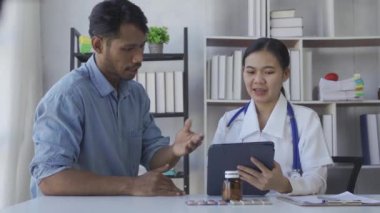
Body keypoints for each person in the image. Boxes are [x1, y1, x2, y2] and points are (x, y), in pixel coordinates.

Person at [29, 0, 203, 198]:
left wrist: (175, 150)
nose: (139, 58)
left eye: (141, 47)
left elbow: (153, 158)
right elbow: (50, 179)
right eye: (128, 49)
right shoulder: (67, 96)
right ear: (98, 45)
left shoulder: (136, 95)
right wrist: (132, 185)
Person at [212, 38, 332, 195]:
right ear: (243, 72)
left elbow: (318, 182)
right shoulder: (228, 121)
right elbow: (215, 179)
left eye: (268, 72)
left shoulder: (306, 119)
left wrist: (284, 185)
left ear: (286, 74)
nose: (258, 80)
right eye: (250, 72)